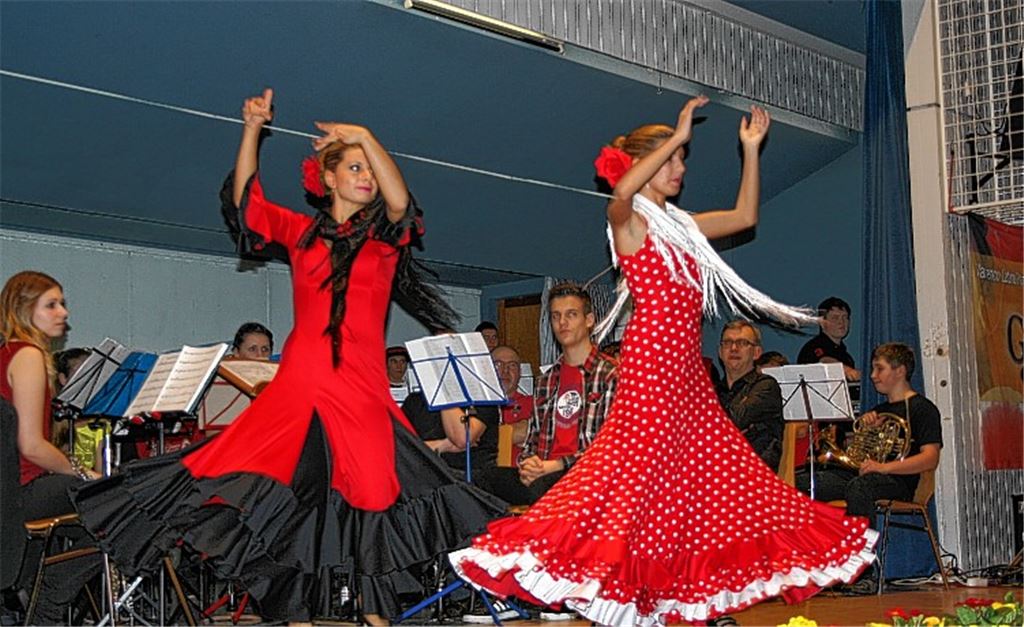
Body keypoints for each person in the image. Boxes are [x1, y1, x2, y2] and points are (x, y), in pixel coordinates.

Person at [71, 89, 505, 623]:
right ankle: (296, 613)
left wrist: (365, 136)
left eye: (368, 168)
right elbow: (247, 204)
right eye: (353, 166)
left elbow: (399, 203)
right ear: (327, 179)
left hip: (361, 387)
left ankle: (374, 612)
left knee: (373, 496)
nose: (365, 176)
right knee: (279, 492)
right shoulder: (301, 235)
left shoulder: (384, 241)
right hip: (303, 381)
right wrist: (252, 126)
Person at [451, 97, 877, 625]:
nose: (679, 168)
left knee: (710, 480)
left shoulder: (685, 227)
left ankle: (687, 597)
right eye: (673, 160)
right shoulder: (626, 222)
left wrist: (750, 152)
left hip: (689, 375)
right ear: (646, 163)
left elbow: (746, 216)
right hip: (651, 368)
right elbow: (624, 191)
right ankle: (593, 575)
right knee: (625, 483)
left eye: (681, 159)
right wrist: (674, 136)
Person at [1, 271, 101, 624]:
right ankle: (47, 607)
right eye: (52, 304)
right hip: (22, 491)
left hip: (12, 492)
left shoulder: (7, 353)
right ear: (25, 310)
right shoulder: (27, 355)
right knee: (122, 505)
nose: (63, 313)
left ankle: (30, 591)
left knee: (95, 521)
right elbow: (31, 446)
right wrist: (83, 471)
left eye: (63, 304)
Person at [478, 283, 617, 507]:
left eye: (571, 314)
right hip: (545, 474)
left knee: (542, 487)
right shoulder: (547, 380)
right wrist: (527, 464)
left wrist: (556, 465)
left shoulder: (610, 375)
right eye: (556, 316)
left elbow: (610, 446)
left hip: (589, 476)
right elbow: (532, 439)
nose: (562, 323)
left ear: (589, 320)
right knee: (483, 480)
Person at [796, 343, 942, 524]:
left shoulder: (923, 409)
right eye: (873, 369)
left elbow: (930, 458)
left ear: (900, 371)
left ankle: (863, 551)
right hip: (865, 477)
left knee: (860, 488)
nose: (873, 376)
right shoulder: (878, 411)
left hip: (899, 482)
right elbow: (857, 455)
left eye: (879, 369)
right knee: (802, 482)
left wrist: (883, 468)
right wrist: (867, 431)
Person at [716, 320, 784, 472]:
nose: (733, 348)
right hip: (717, 471)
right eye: (727, 343)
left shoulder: (766, 386)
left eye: (742, 343)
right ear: (720, 352)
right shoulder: (714, 391)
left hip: (754, 474)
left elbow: (733, 421)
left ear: (756, 352)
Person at [797, 296, 861, 382]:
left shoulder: (846, 356)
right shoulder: (813, 347)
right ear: (822, 322)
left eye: (845, 317)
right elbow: (824, 361)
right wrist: (847, 370)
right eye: (835, 318)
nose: (841, 322)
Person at [491, 345, 532, 464]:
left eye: (512, 365)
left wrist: (486, 435)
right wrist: (512, 433)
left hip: (520, 476)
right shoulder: (475, 405)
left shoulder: (533, 403)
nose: (505, 371)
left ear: (520, 372)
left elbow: (527, 432)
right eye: (498, 364)